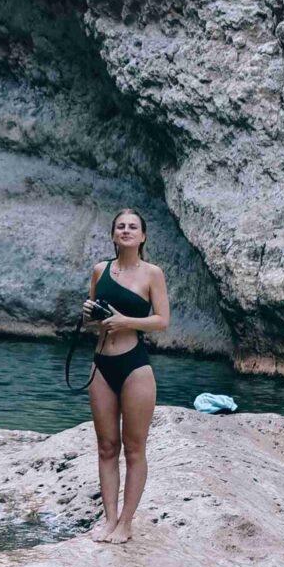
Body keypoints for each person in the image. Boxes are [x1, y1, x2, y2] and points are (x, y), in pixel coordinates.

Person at [83, 206, 169, 544]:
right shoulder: (99, 270)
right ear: (113, 235)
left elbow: (162, 321)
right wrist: (88, 314)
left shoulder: (152, 274)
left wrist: (126, 321)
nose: (126, 231)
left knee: (134, 448)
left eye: (133, 226)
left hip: (135, 364)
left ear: (142, 236)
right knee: (106, 447)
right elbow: (92, 323)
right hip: (101, 363)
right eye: (120, 226)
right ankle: (109, 520)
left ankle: (126, 523)